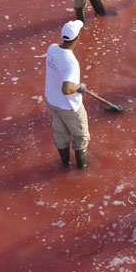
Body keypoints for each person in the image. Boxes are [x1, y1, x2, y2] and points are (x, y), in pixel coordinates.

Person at [45, 20, 90, 170]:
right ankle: (82, 169)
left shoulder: (51, 48)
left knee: (61, 135)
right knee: (81, 137)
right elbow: (67, 89)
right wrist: (79, 87)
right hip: (69, 107)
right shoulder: (71, 62)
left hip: (52, 101)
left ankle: (66, 165)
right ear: (77, 38)